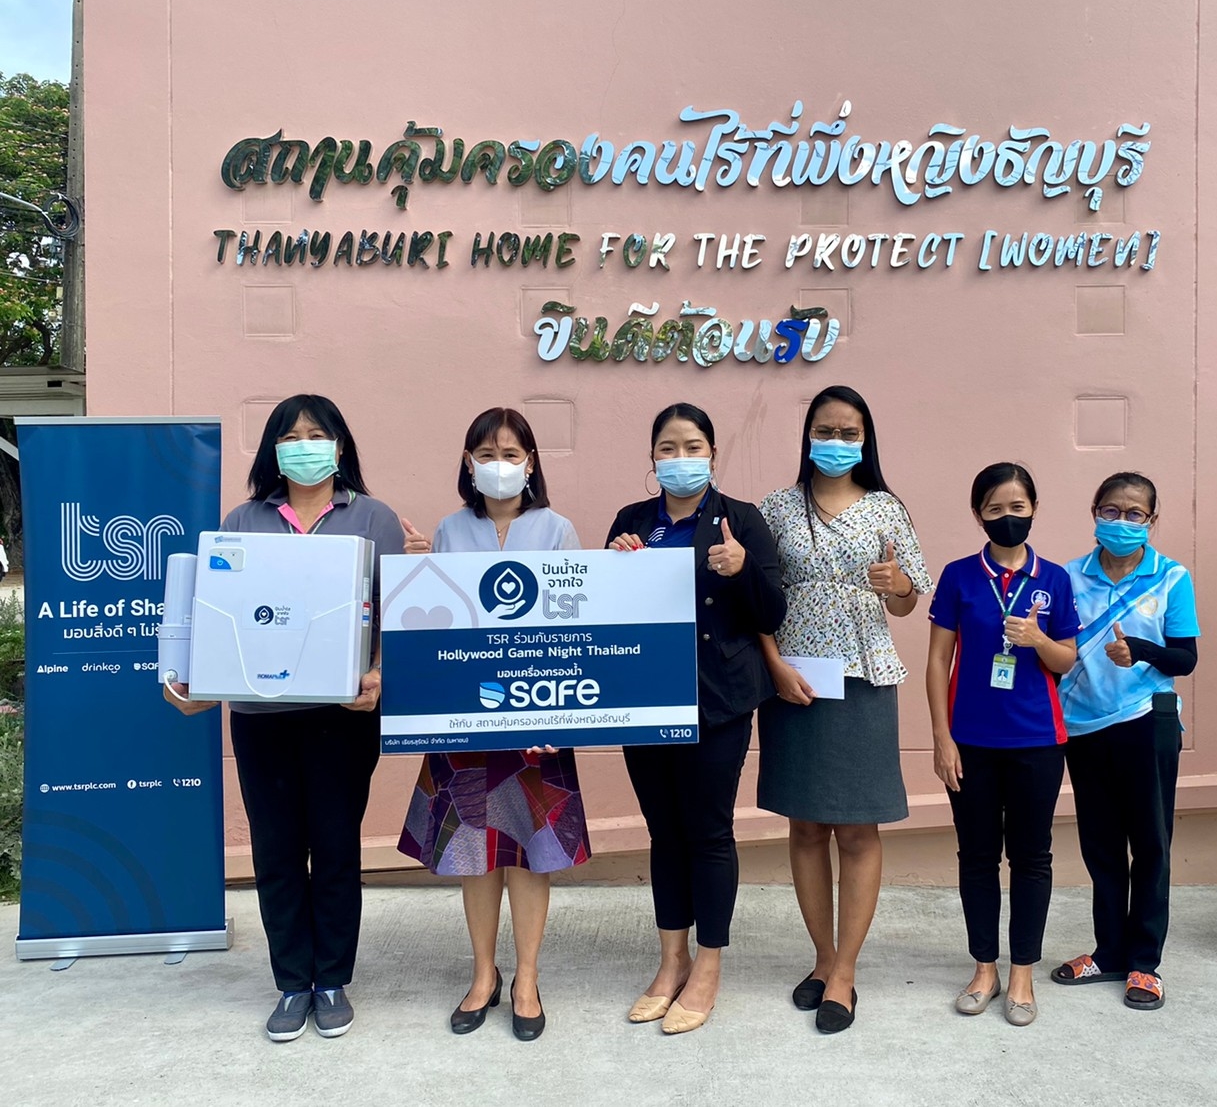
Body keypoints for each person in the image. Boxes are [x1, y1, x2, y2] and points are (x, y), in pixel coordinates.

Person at [164, 394, 422, 1043]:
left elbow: (398, 615)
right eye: (291, 435)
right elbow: (221, 614)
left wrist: (381, 674)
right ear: (272, 449)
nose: (304, 446)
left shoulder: (374, 518)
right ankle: (290, 984)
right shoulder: (243, 520)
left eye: (317, 434)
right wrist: (195, 680)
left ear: (340, 446)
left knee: (334, 848)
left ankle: (330, 979)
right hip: (260, 717)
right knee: (276, 850)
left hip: (342, 717)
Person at [396, 407, 590, 1041]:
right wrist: (416, 569)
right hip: (468, 719)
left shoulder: (557, 529)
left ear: (530, 464)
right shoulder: (449, 530)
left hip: (538, 719)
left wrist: (560, 714)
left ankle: (527, 977)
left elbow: (576, 626)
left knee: (531, 856)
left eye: (510, 454)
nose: (498, 465)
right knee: (473, 853)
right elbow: (437, 626)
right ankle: (484, 974)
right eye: (485, 454)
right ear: (467, 462)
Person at [755, 385, 931, 1034]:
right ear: (808, 437)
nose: (836, 442)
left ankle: (846, 972)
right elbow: (757, 599)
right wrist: (774, 667)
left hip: (863, 678)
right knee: (805, 826)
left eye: (848, 432)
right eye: (825, 431)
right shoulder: (775, 508)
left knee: (857, 828)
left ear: (866, 440)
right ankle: (823, 959)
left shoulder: (887, 508)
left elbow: (909, 601)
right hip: (795, 682)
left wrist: (898, 586)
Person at [606, 403, 786, 1035]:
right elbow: (604, 609)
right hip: (644, 698)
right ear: (652, 458)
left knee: (708, 832)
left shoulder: (743, 519)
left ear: (712, 454)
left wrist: (741, 571)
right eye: (668, 448)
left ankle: (708, 966)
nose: (680, 458)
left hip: (718, 700)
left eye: (692, 447)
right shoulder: (632, 520)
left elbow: (772, 611)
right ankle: (671, 961)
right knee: (664, 832)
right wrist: (614, 564)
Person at [925, 463, 1079, 1027]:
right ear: (978, 515)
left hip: (1038, 740)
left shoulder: (1054, 579)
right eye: (995, 509)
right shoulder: (960, 576)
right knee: (977, 856)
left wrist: (1037, 638)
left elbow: (1067, 660)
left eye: (1017, 507)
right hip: (970, 742)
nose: (1007, 517)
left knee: (1032, 857)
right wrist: (941, 738)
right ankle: (984, 968)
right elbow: (938, 660)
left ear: (1034, 509)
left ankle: (1022, 974)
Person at [1049, 472, 1199, 1011]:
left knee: (1151, 845)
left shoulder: (1171, 577)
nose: (1121, 521)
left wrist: (1141, 649)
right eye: (1111, 510)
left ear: (1151, 521)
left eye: (1135, 513)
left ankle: (1144, 964)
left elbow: (1185, 658)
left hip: (1146, 722)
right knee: (1101, 846)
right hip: (1084, 727)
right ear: (1095, 512)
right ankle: (1109, 951)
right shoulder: (1068, 577)